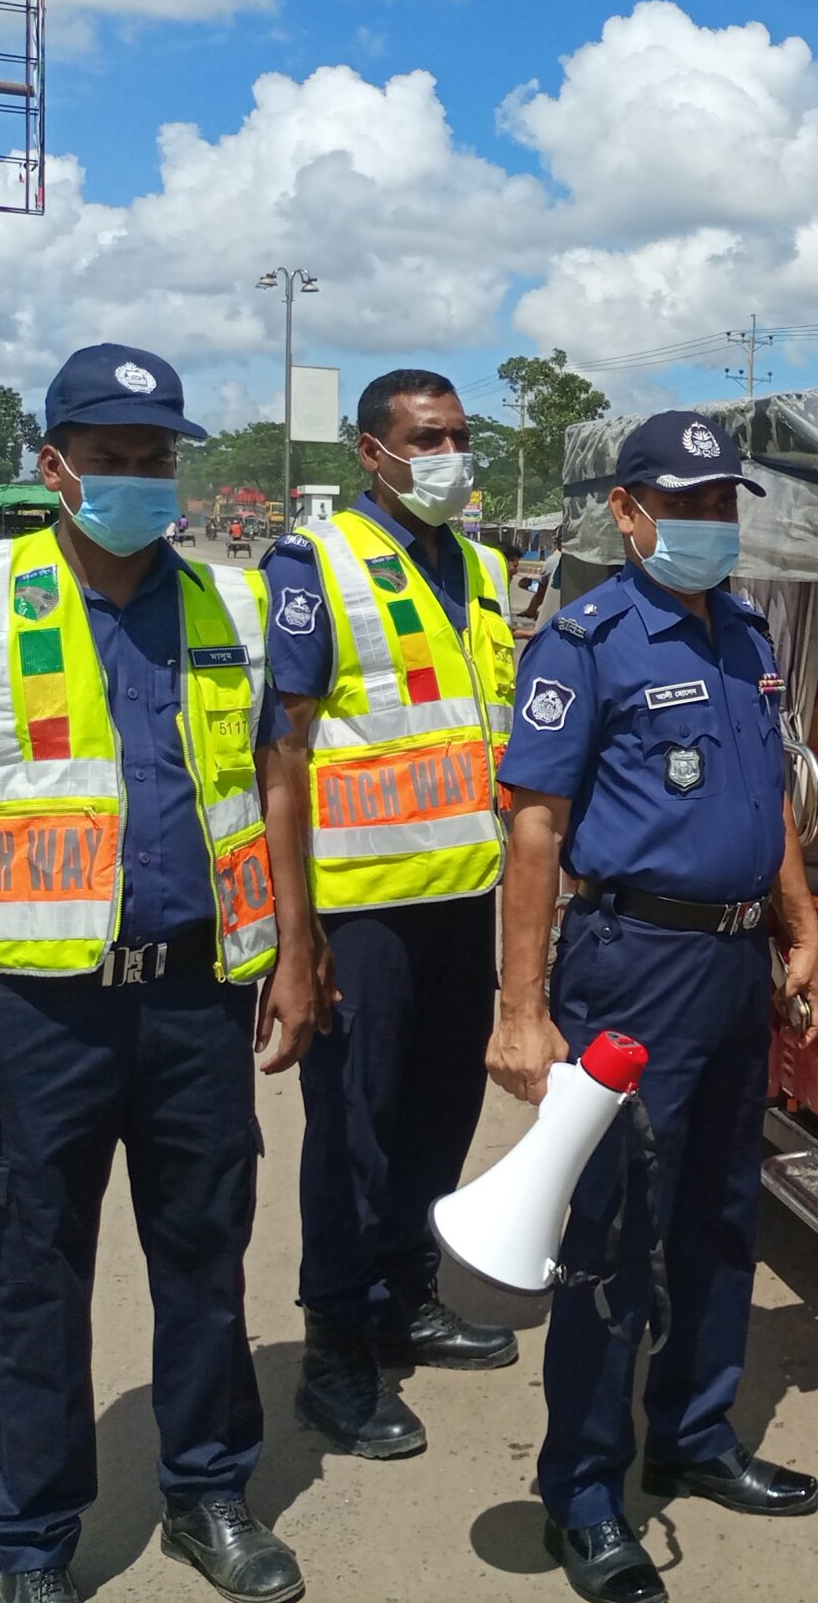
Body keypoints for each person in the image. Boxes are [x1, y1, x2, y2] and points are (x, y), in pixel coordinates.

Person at [0, 344, 320, 1603]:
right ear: (55, 466)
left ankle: (208, 1492)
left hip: (196, 997)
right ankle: (34, 1543)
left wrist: (295, 952)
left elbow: (276, 787)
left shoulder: (228, 605)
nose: (139, 479)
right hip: (38, 1013)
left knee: (205, 1256)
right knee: (34, 1278)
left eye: (157, 458)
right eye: (113, 458)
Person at [490, 410, 818, 1603]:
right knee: (613, 1233)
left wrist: (798, 923)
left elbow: (765, 798)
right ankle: (584, 1491)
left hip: (734, 969)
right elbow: (533, 828)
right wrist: (522, 1009)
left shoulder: (744, 634)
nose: (705, 524)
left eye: (720, 503)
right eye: (682, 504)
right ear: (628, 513)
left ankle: (695, 1436)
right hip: (631, 963)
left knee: (723, 1216)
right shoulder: (585, 641)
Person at [260, 369, 523, 1460]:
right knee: (354, 1139)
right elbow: (280, 759)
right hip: (360, 913)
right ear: (370, 453)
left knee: (436, 1120)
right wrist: (295, 935)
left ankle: (407, 1296)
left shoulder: (487, 567)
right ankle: (334, 1352)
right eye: (427, 438)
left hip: (465, 900)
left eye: (459, 436)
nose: (448, 455)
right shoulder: (315, 565)